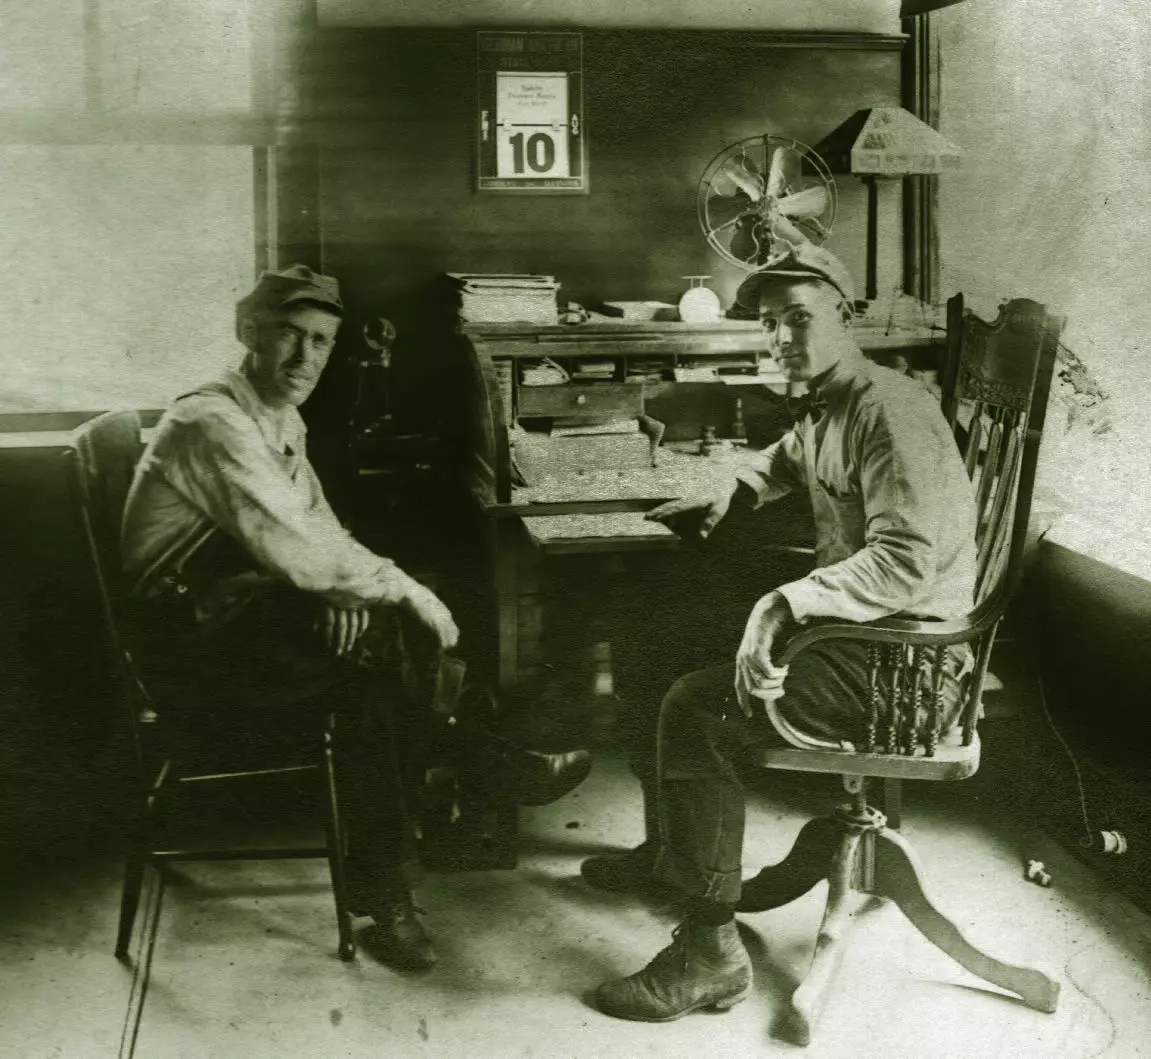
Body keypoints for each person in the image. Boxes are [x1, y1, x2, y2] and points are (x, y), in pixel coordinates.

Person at [121, 264, 588, 971]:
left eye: (321, 342)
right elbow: (307, 556)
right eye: (290, 335)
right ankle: (466, 772)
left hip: (242, 606)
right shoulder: (212, 419)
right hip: (184, 643)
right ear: (247, 331)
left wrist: (339, 587)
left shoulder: (275, 414)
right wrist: (387, 589)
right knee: (381, 643)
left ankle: (429, 820)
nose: (306, 357)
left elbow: (319, 535)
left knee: (371, 659)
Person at [586, 244, 978, 1022]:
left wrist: (779, 604)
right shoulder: (833, 400)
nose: (783, 337)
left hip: (907, 666)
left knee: (696, 706)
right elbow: (790, 455)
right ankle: (673, 861)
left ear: (845, 316)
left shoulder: (889, 411)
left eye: (799, 317)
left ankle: (708, 955)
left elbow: (904, 562)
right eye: (770, 324)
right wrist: (735, 487)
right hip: (862, 640)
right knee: (650, 634)